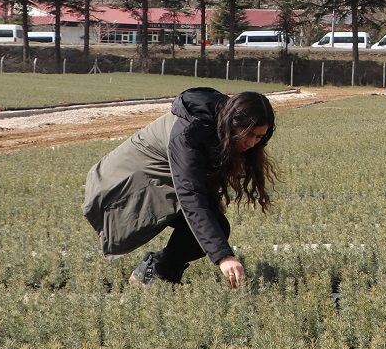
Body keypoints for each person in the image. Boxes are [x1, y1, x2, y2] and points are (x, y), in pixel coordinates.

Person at [83, 87, 276, 287]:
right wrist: (224, 257)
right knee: (207, 223)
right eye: (248, 134)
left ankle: (157, 271)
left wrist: (212, 196)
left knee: (216, 225)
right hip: (121, 182)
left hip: (159, 178)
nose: (252, 143)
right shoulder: (189, 132)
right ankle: (157, 274)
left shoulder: (219, 122)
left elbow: (199, 170)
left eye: (259, 137)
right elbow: (190, 195)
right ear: (233, 122)